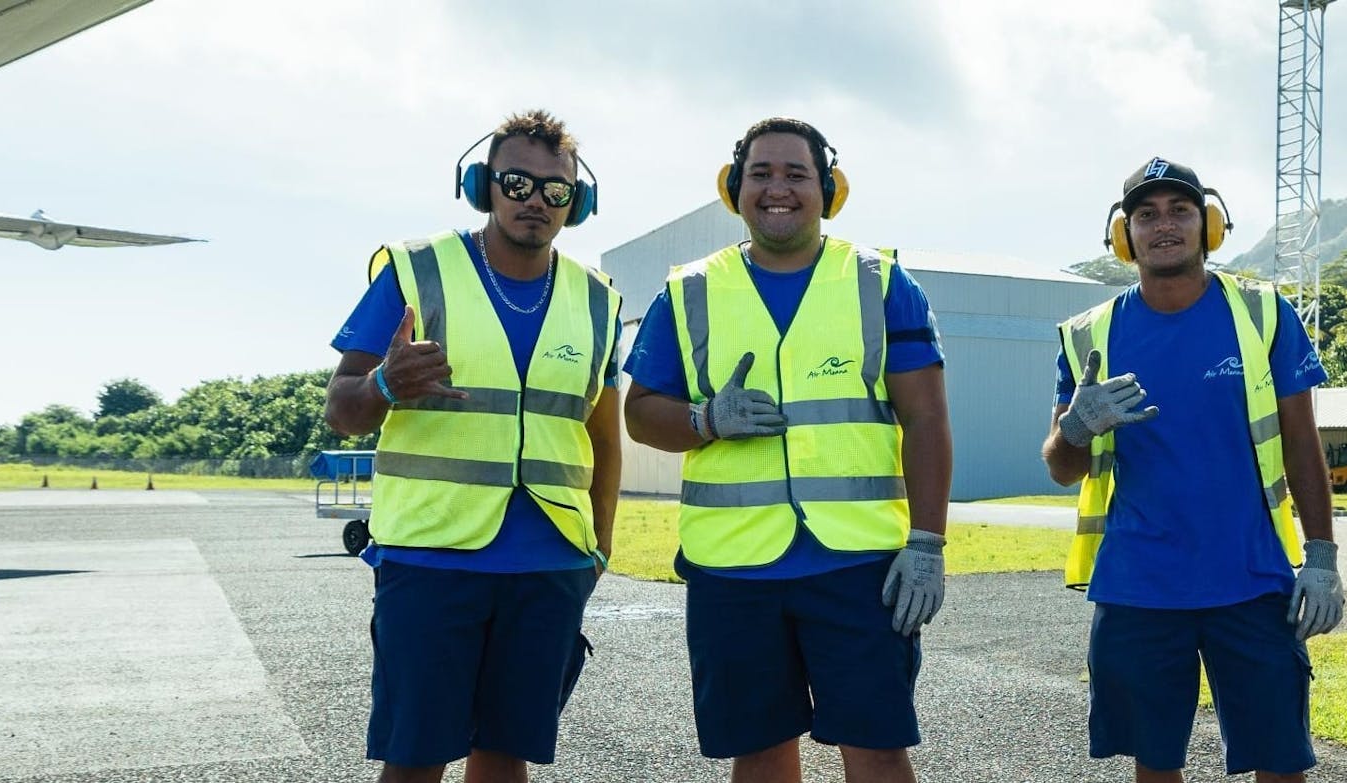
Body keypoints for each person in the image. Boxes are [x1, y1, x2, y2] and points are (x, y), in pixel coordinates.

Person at [618, 117, 953, 783]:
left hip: (858, 568)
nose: (778, 188)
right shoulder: (688, 292)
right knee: (762, 751)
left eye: (796, 174)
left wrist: (927, 543)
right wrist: (705, 418)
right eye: (761, 173)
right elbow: (640, 415)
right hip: (733, 569)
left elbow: (926, 417)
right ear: (734, 189)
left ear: (828, 189)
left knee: (879, 748)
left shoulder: (882, 283)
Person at [320, 110, 623, 783]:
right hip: (431, 556)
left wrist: (599, 546)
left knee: (506, 753)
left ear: (578, 203)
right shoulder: (417, 271)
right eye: (516, 182)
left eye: (556, 190)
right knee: (415, 755)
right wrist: (383, 385)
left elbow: (603, 434)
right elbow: (341, 409)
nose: (535, 201)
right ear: (482, 184)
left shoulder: (597, 300)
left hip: (549, 560)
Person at [1041, 158, 1337, 782]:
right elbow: (1062, 469)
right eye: (1145, 214)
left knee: (1280, 762)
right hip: (1139, 587)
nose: (1164, 225)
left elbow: (1302, 443)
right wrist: (1075, 427)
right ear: (1125, 236)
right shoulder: (1089, 333)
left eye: (1180, 210)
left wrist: (1321, 558)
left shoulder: (1262, 313)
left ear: (1210, 225)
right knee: (1156, 763)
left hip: (1253, 582)